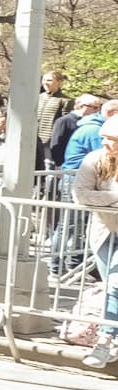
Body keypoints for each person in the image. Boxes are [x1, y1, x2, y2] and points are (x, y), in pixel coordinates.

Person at [69, 124, 118, 371]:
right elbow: (80, 195)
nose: (106, 144)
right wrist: (114, 198)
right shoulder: (94, 160)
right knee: (112, 286)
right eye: (104, 138)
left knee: (115, 285)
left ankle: (106, 340)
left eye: (112, 139)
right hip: (104, 232)